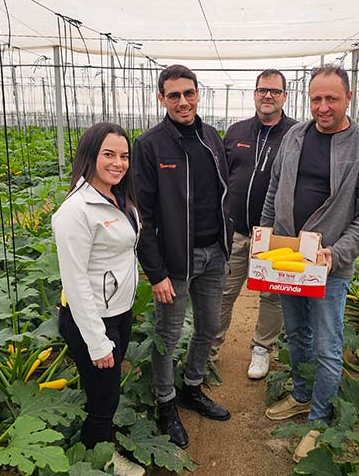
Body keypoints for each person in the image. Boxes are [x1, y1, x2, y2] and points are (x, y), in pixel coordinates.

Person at [260, 65, 359, 462]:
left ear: (349, 97)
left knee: (329, 345)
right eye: (316, 98)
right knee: (296, 335)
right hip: (287, 259)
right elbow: (275, 190)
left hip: (328, 266)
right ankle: (301, 394)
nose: (323, 106)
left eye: (331, 98)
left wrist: (339, 253)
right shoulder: (295, 136)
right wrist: (266, 235)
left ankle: (318, 419)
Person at [132, 64, 233, 449]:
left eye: (188, 93)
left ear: (198, 94)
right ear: (161, 98)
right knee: (167, 334)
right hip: (174, 261)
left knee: (208, 327)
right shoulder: (149, 145)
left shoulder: (211, 137)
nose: (182, 101)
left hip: (214, 254)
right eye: (173, 95)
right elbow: (143, 215)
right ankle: (165, 401)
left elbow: (220, 193)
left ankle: (191, 386)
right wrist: (155, 273)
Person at [53, 122, 145, 476]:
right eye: (109, 154)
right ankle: (98, 459)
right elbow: (75, 282)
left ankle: (100, 442)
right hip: (90, 320)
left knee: (104, 391)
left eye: (123, 156)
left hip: (118, 311)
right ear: (90, 156)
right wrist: (96, 341)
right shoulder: (75, 211)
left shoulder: (118, 197)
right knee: (104, 399)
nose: (118, 163)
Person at [212, 69, 297, 379]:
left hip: (275, 236)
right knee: (223, 291)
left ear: (285, 96)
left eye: (275, 91)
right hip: (235, 230)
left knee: (271, 296)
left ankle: (262, 348)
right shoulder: (236, 132)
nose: (268, 96)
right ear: (254, 94)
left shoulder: (297, 135)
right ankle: (211, 346)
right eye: (263, 90)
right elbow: (219, 178)